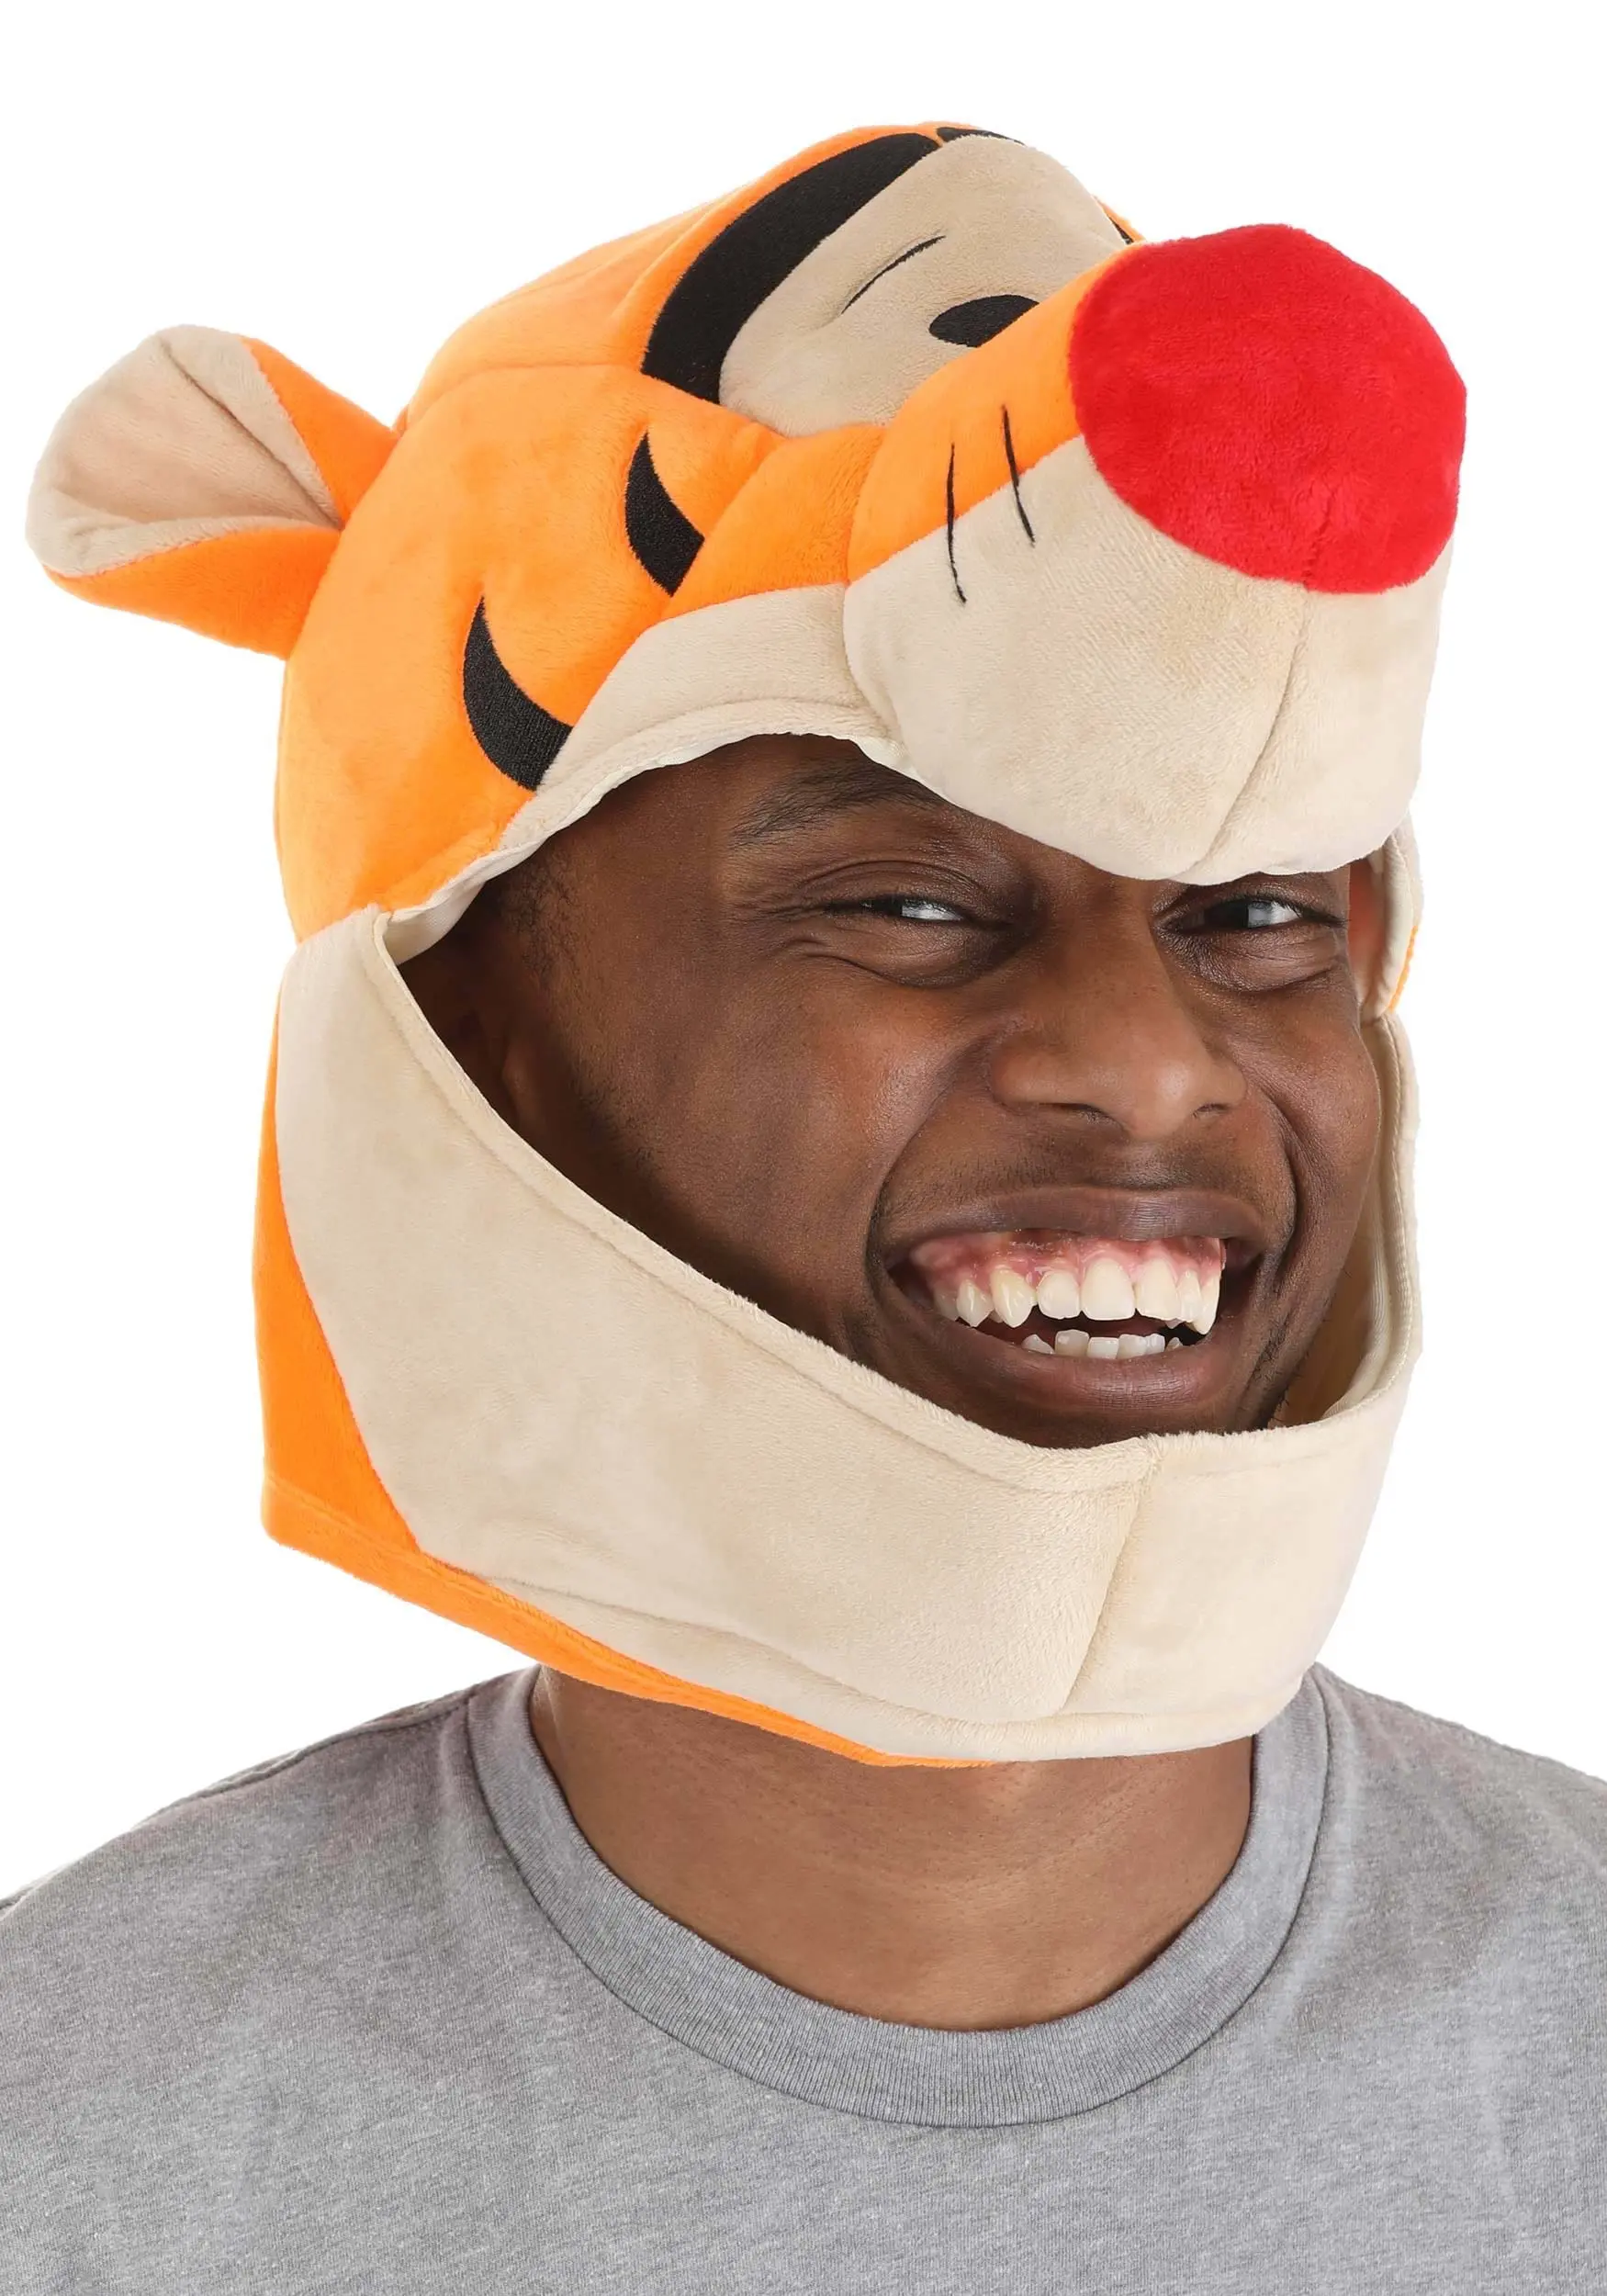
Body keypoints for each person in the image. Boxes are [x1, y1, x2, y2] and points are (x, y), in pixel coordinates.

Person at [6, 123, 1603, 2290]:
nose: (1149, 1065)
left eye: (1249, 912)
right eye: (910, 898)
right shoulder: (75, 2132)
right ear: (485, 1027)